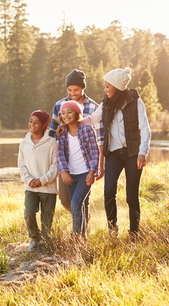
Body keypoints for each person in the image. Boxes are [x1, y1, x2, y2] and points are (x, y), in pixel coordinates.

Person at [65, 67, 151, 241]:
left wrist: (143, 152)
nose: (105, 90)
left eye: (107, 87)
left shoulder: (136, 102)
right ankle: (113, 227)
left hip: (133, 153)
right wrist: (74, 120)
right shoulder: (106, 102)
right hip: (113, 154)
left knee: (131, 195)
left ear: (117, 87)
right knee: (109, 191)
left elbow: (146, 129)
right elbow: (92, 119)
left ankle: (134, 231)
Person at [49, 69, 104, 226]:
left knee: (81, 200)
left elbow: (100, 138)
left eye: (76, 89)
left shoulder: (93, 108)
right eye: (69, 90)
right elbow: (53, 134)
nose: (72, 93)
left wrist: (99, 166)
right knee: (66, 200)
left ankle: (80, 235)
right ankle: (82, 222)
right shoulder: (59, 105)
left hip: (86, 164)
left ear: (83, 88)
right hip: (66, 163)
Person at [56, 101, 99, 237]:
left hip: (85, 174)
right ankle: (83, 236)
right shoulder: (62, 133)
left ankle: (75, 236)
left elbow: (95, 153)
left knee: (76, 203)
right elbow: (60, 154)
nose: (66, 115)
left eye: (69, 112)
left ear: (77, 113)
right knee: (77, 206)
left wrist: (92, 172)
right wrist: (63, 171)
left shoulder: (87, 130)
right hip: (71, 175)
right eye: (63, 113)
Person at [18, 110, 59, 252]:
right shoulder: (24, 143)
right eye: (31, 121)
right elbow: (21, 165)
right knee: (29, 213)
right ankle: (34, 239)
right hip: (31, 188)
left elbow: (55, 166)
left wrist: (42, 180)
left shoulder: (52, 143)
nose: (32, 124)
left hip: (48, 188)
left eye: (36, 122)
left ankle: (46, 243)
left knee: (47, 219)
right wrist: (29, 181)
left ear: (44, 125)